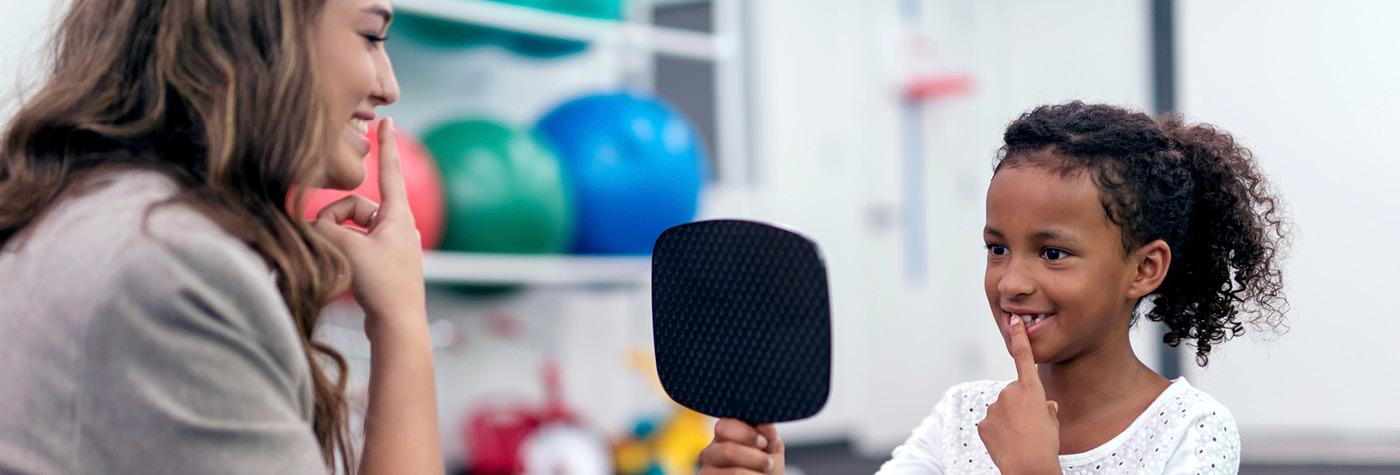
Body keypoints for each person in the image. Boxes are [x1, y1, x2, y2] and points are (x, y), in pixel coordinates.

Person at [697, 101, 1289, 474]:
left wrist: (1032, 468)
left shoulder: (1191, 430)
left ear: (1144, 269)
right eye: (996, 248)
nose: (1011, 281)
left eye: (1052, 253)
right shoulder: (964, 416)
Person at [0, 0, 442, 473]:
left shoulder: (90, 209)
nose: (388, 87)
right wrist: (402, 321)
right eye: (371, 37)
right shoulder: (176, 267)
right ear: (261, 32)